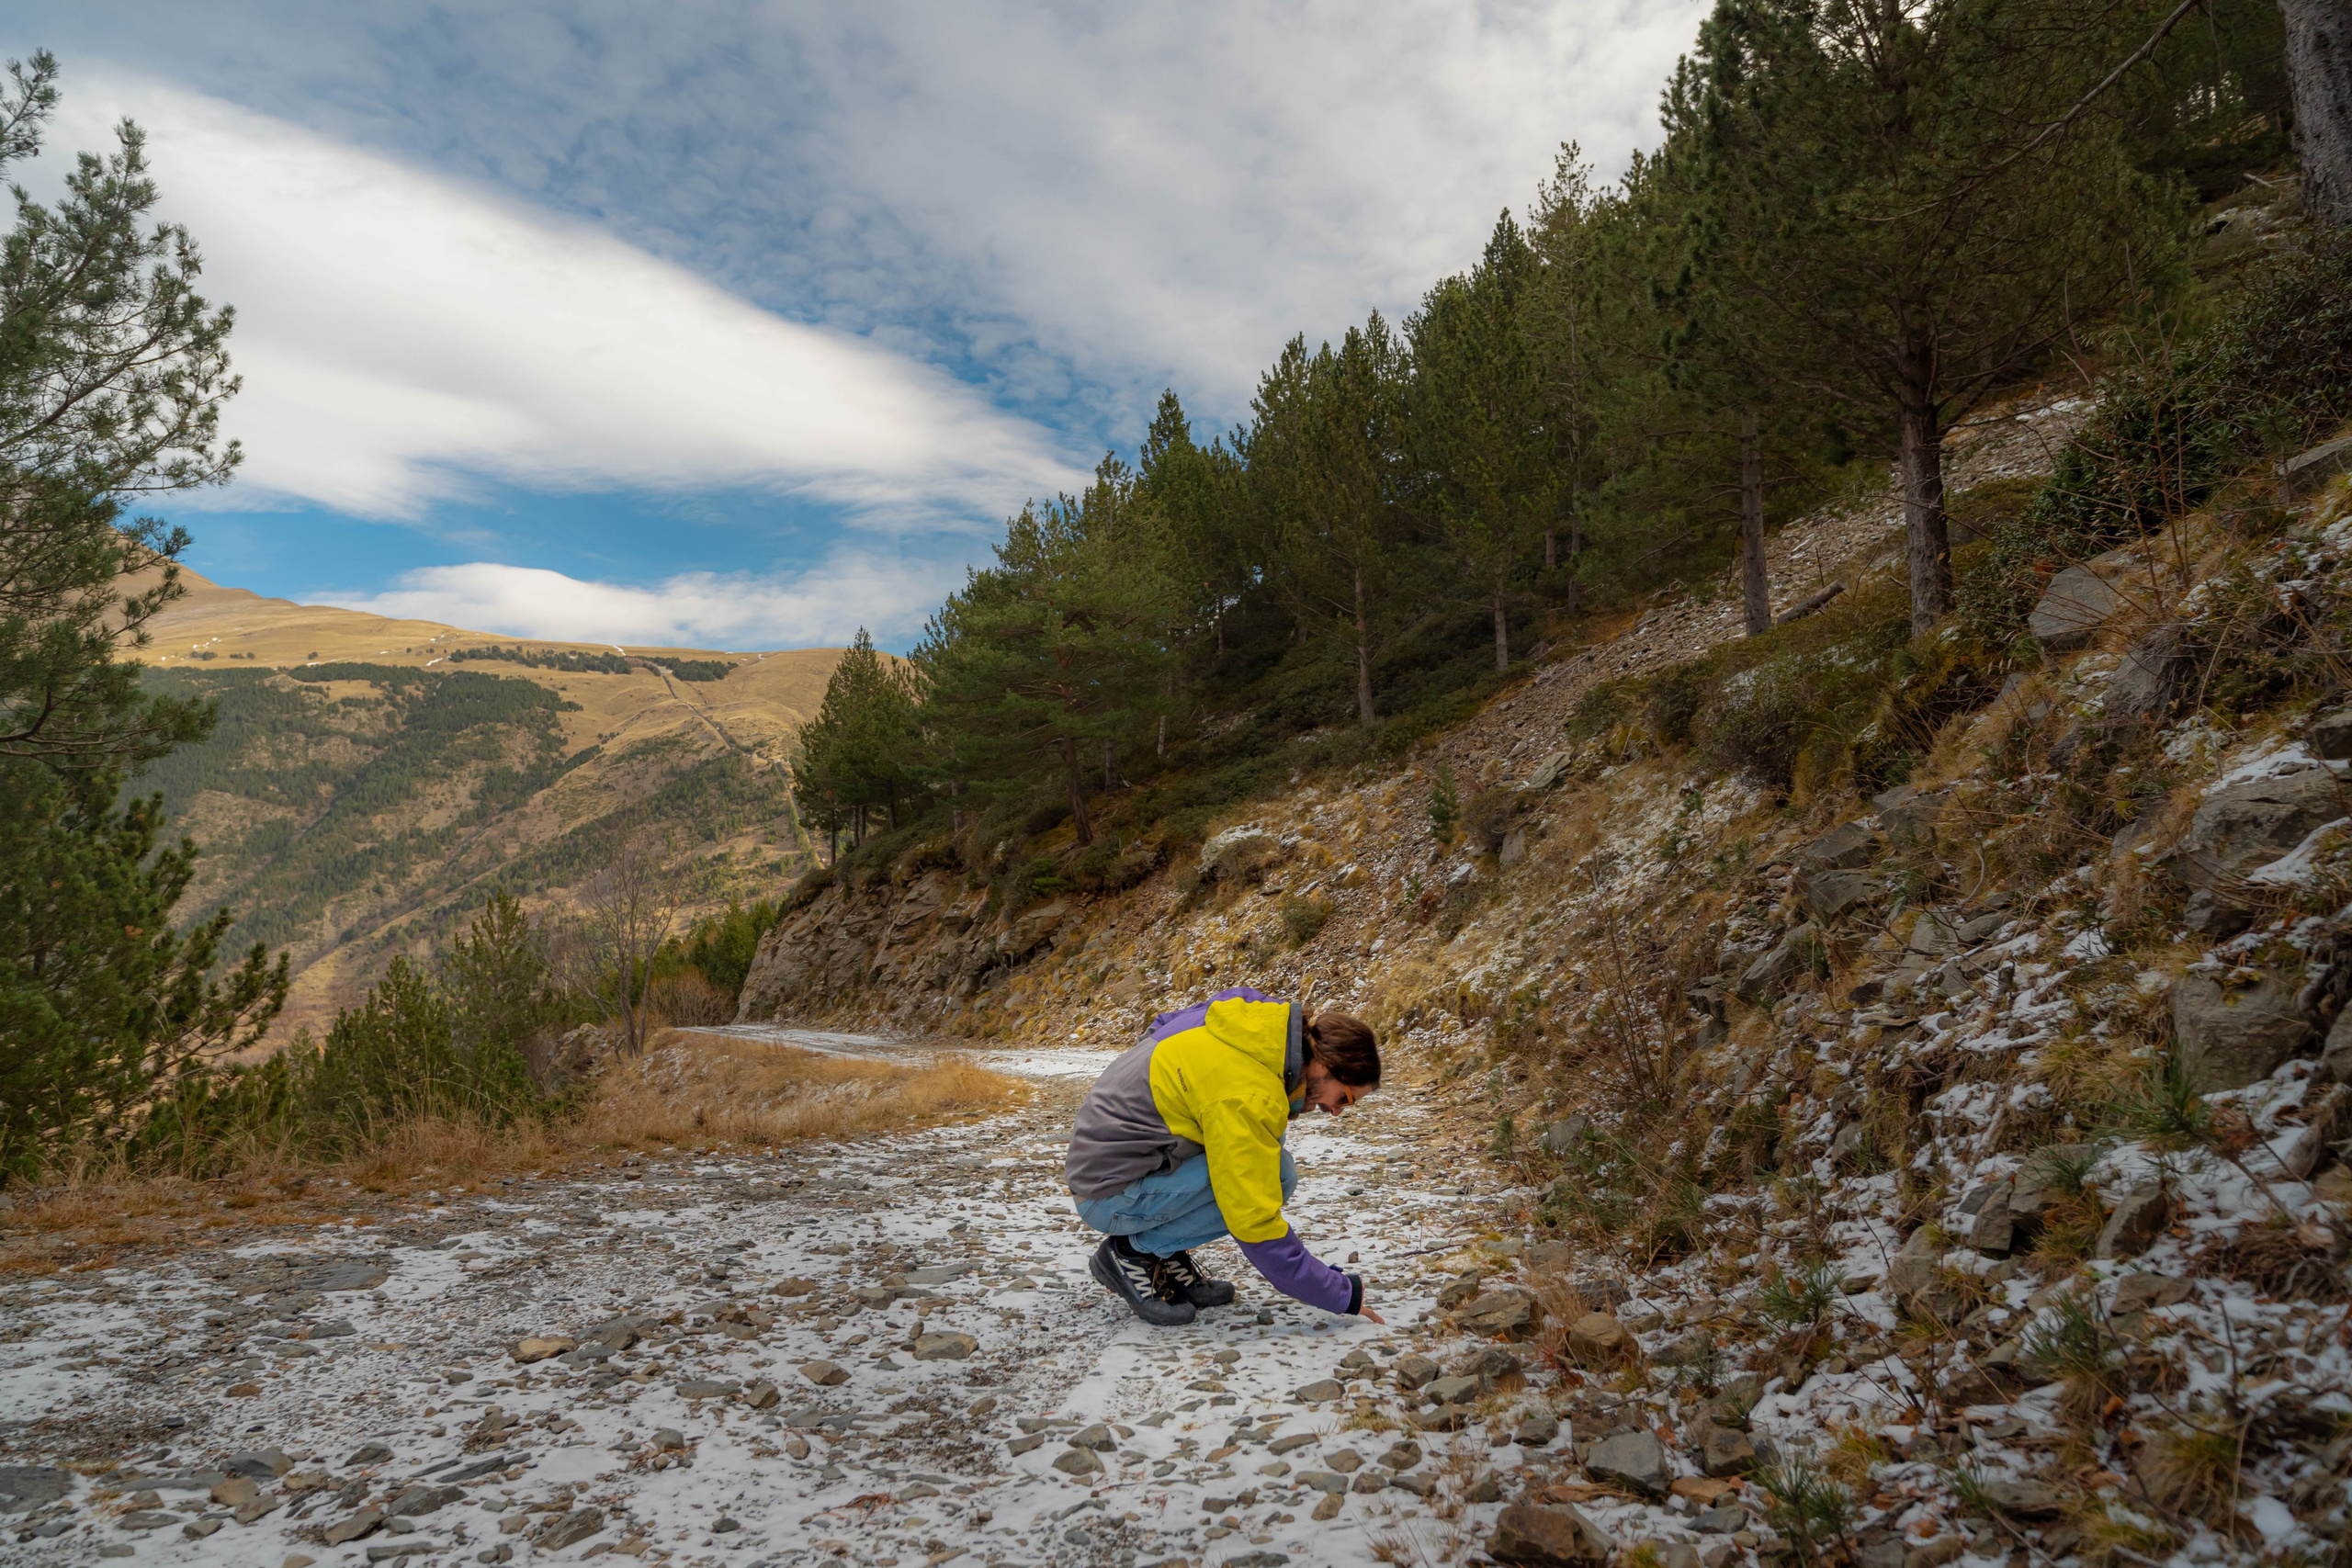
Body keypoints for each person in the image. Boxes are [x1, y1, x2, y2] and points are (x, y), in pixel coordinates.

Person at [1064, 986, 1385, 1326]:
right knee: (1274, 1177)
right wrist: (1339, 1293)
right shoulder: (1249, 1092)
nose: (1336, 1111)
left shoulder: (1250, 1023)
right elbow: (1253, 1220)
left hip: (1102, 1161)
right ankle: (1132, 1253)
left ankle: (1164, 1253)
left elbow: (1162, 1024)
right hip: (1106, 1194)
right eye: (1345, 1098)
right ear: (1323, 1066)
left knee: (1269, 1162)